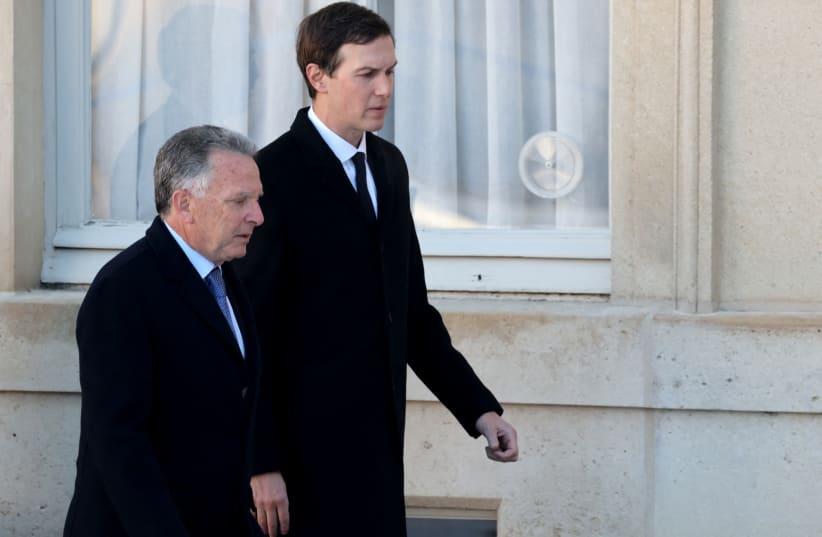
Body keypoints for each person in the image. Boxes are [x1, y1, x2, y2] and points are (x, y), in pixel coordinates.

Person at [235, 3, 519, 536]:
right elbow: (251, 334)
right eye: (366, 74)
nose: (384, 88)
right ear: (316, 76)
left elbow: (409, 311)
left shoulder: (389, 166)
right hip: (299, 469)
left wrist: (479, 410)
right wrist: (260, 461)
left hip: (380, 453)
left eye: (389, 71)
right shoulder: (272, 176)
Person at [63, 125, 265, 537]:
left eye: (257, 200)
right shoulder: (122, 290)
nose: (258, 216)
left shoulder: (227, 278)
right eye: (239, 201)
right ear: (184, 204)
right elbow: (119, 443)